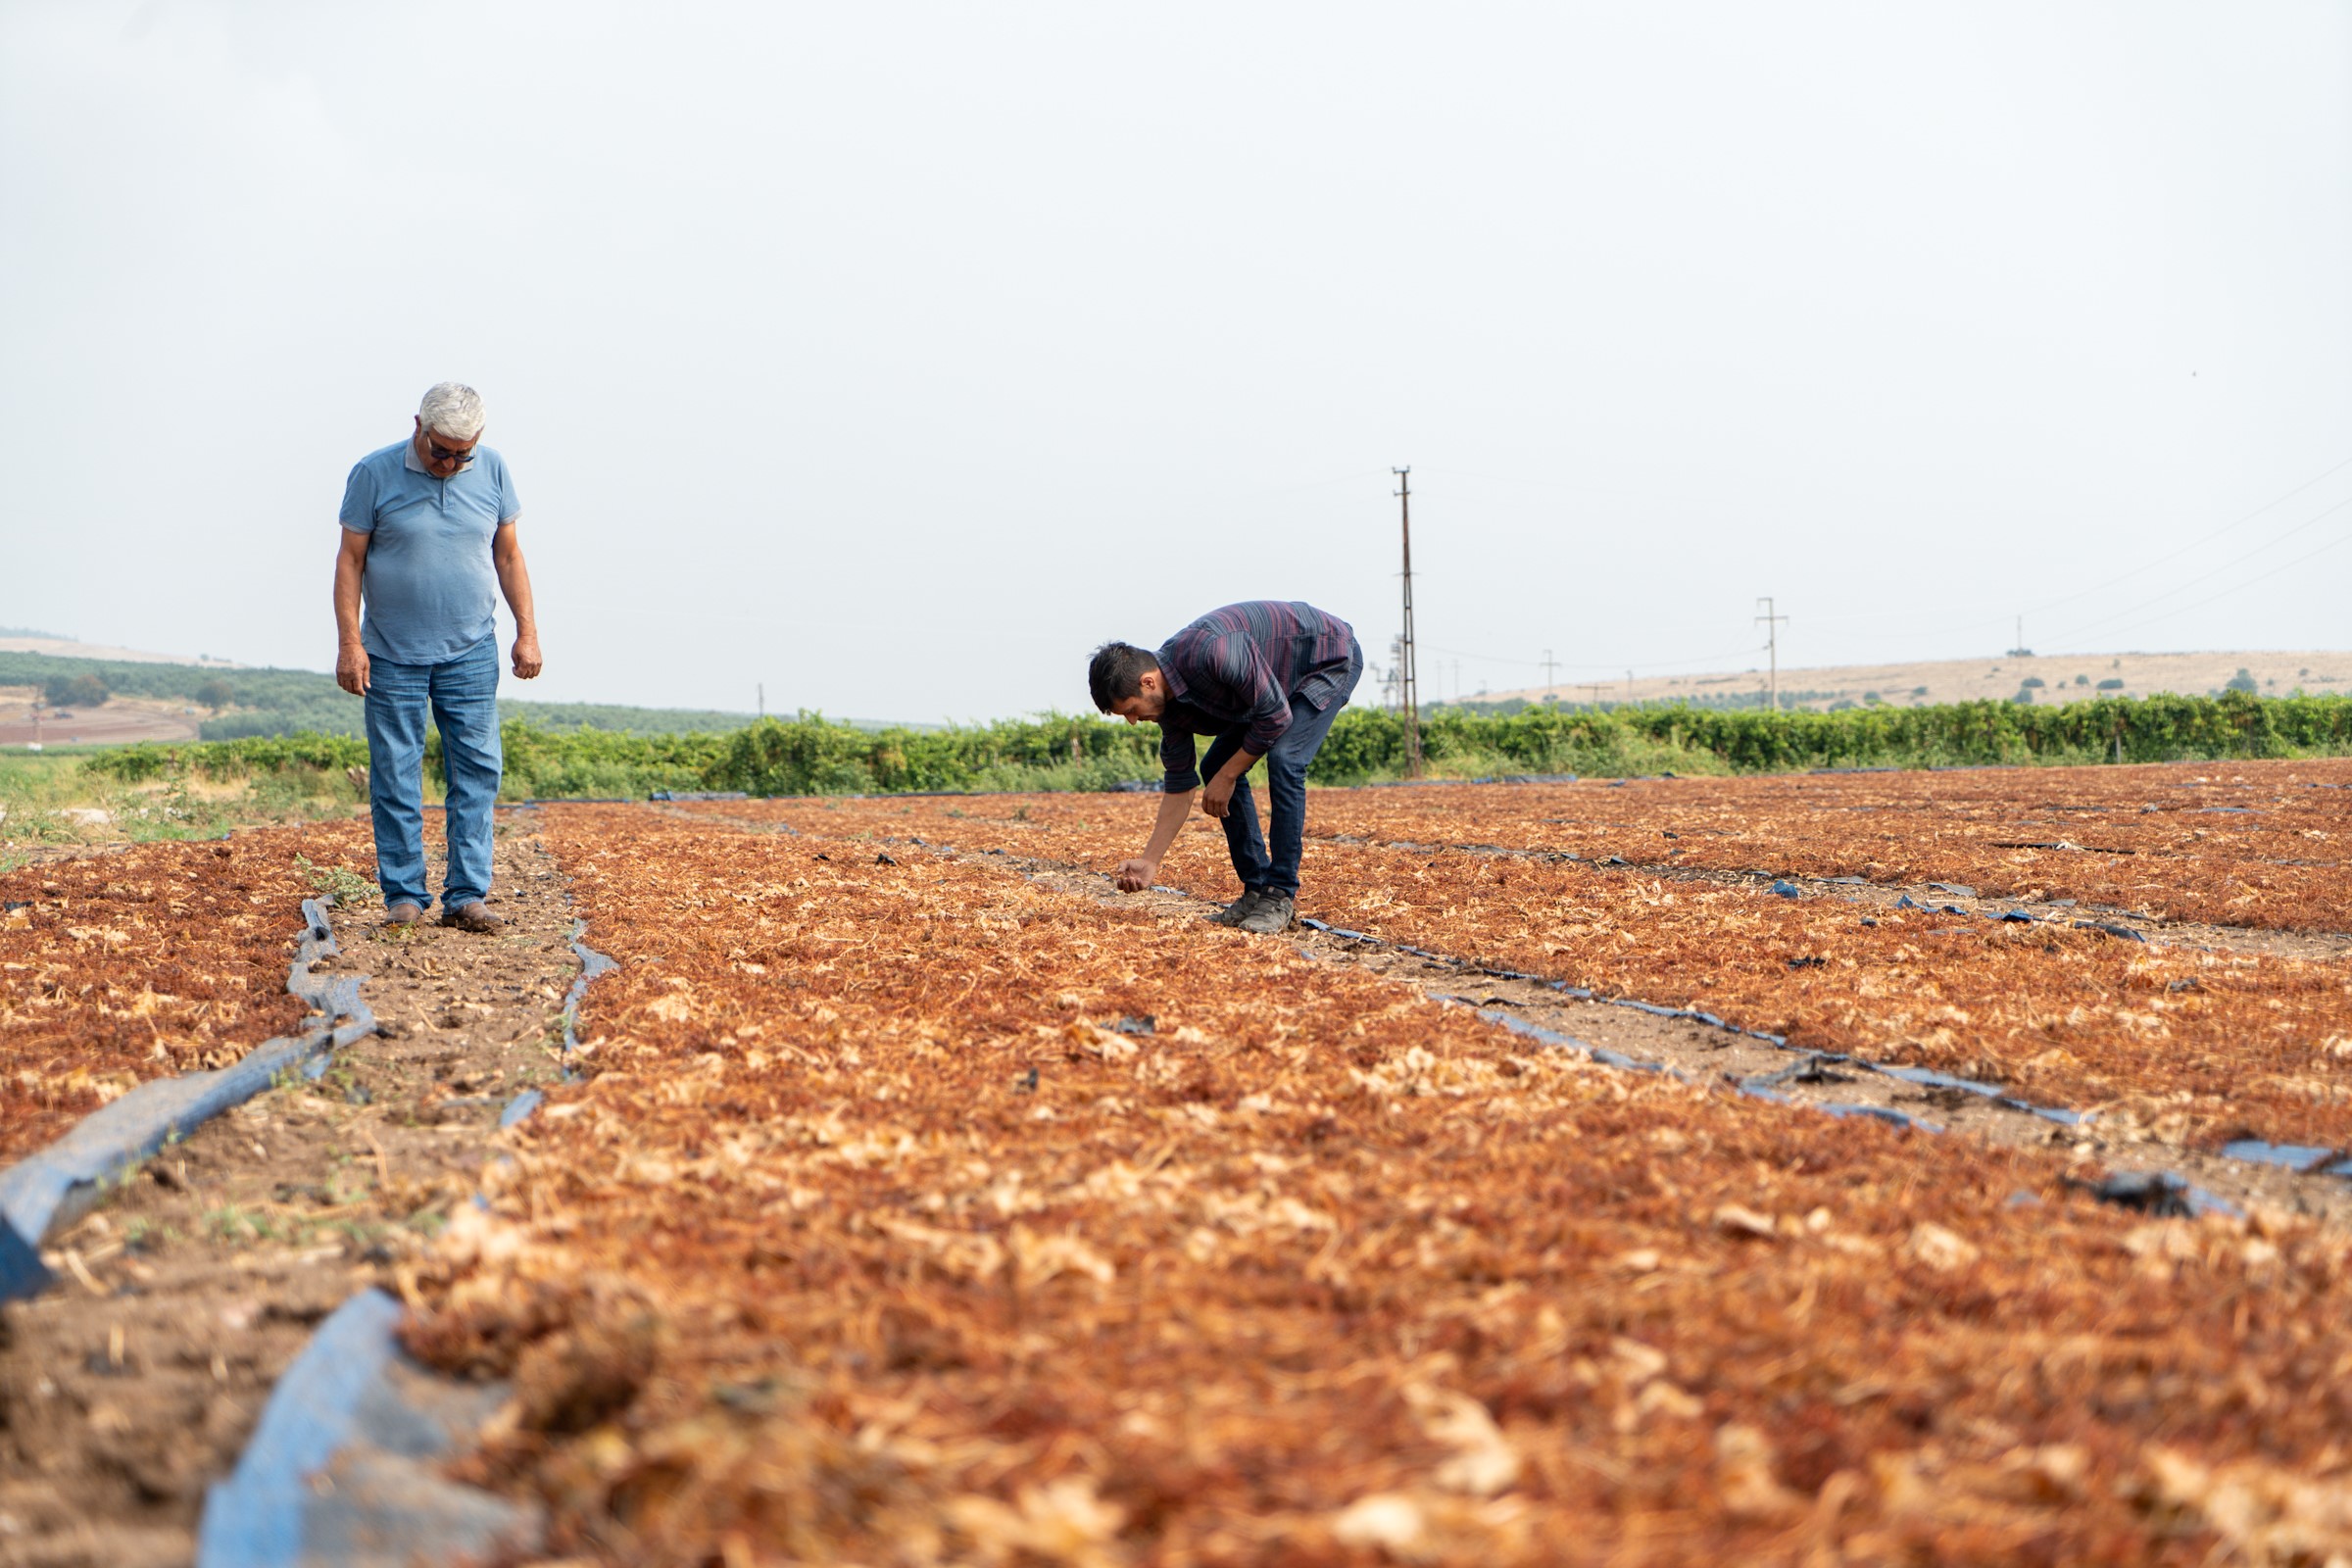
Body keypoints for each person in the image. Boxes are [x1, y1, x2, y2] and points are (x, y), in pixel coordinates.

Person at [332, 382, 542, 932]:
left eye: (462, 453)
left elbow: (509, 554)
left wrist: (528, 632)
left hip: (471, 650)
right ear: (418, 426)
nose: (451, 462)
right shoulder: (373, 473)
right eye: (441, 450)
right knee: (396, 772)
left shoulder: (493, 470)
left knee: (477, 769)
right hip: (390, 653)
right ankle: (403, 895)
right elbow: (350, 562)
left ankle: (467, 895)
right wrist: (350, 643)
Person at [1089, 601, 1363, 934]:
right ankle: (1257, 888)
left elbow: (1276, 716)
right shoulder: (1168, 709)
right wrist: (1149, 860)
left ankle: (1279, 894)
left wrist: (1229, 776)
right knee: (1215, 763)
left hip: (1325, 657)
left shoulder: (1211, 653)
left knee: (1285, 759)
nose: (1133, 721)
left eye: (1131, 710)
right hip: (1274, 681)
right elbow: (1179, 786)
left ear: (1148, 682)